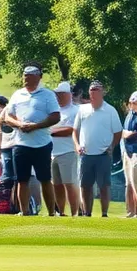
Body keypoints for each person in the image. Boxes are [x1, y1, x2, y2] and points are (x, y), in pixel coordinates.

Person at [4, 63, 61, 216]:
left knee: (45, 179)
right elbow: (7, 117)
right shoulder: (17, 94)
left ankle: (51, 213)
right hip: (21, 144)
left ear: (38, 77)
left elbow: (55, 116)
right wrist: (19, 124)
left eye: (29, 75)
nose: (26, 78)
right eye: (24, 75)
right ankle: (25, 212)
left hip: (42, 144)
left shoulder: (47, 94)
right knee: (22, 180)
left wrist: (36, 126)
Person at [74, 80, 123, 217]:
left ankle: (104, 213)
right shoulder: (82, 109)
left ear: (102, 92)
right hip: (85, 154)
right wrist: (77, 145)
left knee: (104, 185)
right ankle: (87, 213)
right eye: (92, 90)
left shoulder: (110, 110)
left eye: (97, 90)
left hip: (103, 154)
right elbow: (75, 130)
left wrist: (112, 147)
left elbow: (118, 132)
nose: (94, 93)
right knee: (85, 185)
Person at [50, 81, 82, 217]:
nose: (58, 97)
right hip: (52, 152)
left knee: (69, 183)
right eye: (57, 94)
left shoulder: (75, 111)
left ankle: (75, 212)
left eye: (61, 94)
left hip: (68, 151)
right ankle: (61, 212)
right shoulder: (54, 111)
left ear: (68, 94)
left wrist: (51, 131)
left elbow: (71, 130)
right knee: (56, 185)